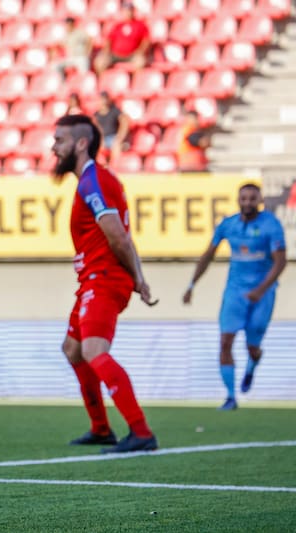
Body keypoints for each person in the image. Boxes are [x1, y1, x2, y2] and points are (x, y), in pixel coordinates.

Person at [51, 113, 158, 454]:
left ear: (81, 144)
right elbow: (123, 236)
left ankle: (141, 432)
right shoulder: (95, 180)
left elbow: (117, 236)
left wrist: (136, 278)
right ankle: (101, 429)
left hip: (104, 279)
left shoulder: (91, 181)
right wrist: (138, 279)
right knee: (73, 349)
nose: (55, 147)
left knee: (94, 351)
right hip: (94, 280)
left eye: (60, 140)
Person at [183, 183, 286, 410]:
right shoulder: (228, 225)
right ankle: (231, 396)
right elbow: (208, 255)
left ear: (259, 201)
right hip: (235, 292)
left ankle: (252, 364)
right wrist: (192, 285)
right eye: (244, 198)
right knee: (225, 341)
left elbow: (280, 261)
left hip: (262, 294)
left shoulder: (271, 225)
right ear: (238, 200)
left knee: (252, 347)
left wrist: (260, 290)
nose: (247, 202)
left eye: (252, 198)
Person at [93, 2, 150, 75]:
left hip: (132, 55)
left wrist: (140, 51)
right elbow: (109, 40)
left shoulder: (140, 25)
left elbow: (146, 40)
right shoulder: (118, 26)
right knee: (100, 62)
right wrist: (106, 51)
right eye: (125, 11)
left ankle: (135, 83)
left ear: (133, 11)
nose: (127, 13)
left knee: (140, 62)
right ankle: (103, 82)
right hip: (115, 54)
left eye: (129, 10)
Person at [93, 91, 130, 165]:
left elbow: (125, 122)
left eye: (105, 99)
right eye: (102, 99)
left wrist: (119, 137)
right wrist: (100, 139)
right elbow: (96, 127)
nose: (103, 101)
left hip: (113, 138)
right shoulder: (96, 114)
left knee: (116, 146)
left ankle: (115, 167)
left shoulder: (115, 111)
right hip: (103, 139)